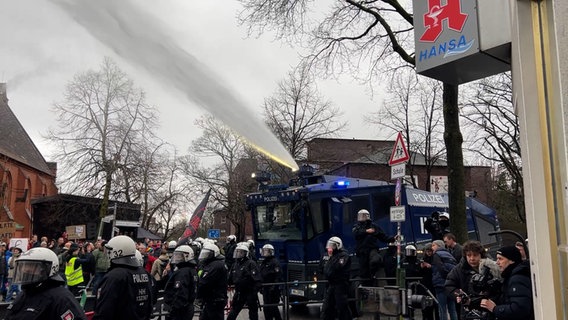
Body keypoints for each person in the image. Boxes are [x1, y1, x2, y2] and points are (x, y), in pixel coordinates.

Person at [4, 247, 87, 320]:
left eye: (32, 267)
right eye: (24, 267)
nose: (26, 271)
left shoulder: (61, 298)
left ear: (47, 269)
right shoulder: (24, 294)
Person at [93, 235, 153, 320]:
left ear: (118, 251)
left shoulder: (115, 276)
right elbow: (150, 304)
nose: (107, 254)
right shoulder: (145, 273)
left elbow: (104, 310)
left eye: (109, 251)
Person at [445, 240, 501, 320]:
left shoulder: (491, 268)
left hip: (489, 309)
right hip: (468, 311)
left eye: (475, 255)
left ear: (481, 255)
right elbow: (449, 285)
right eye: (469, 255)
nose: (472, 258)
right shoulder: (459, 269)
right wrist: (458, 294)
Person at [480, 246, 534, 320]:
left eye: (500, 259)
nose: (497, 262)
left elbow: (520, 309)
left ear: (511, 260)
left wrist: (494, 309)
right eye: (497, 259)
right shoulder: (511, 276)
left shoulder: (517, 279)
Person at [352, 209, 396, 284]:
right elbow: (356, 233)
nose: (361, 218)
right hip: (362, 252)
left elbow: (383, 237)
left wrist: (393, 238)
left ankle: (373, 274)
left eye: (363, 216)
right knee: (364, 272)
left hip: (372, 249)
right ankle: (366, 285)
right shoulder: (357, 226)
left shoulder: (374, 226)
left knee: (375, 260)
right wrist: (366, 231)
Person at [227, 242, 262, 320]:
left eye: (241, 252)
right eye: (237, 252)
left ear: (245, 253)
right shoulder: (235, 264)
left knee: (253, 312)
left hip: (250, 292)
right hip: (239, 292)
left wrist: (254, 291)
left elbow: (257, 279)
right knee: (234, 311)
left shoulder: (250, 263)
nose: (238, 254)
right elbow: (230, 278)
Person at [319, 236, 351, 320]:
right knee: (327, 306)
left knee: (342, 307)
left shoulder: (343, 256)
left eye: (332, 245)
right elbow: (324, 270)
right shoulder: (330, 256)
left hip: (340, 285)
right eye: (329, 245)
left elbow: (334, 269)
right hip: (331, 284)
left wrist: (330, 258)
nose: (330, 248)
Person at [164, 245, 198, 320]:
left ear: (187, 256)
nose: (177, 258)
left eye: (179, 256)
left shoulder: (183, 272)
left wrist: (174, 309)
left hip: (180, 310)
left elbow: (180, 293)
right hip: (188, 307)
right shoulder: (192, 270)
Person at [196, 242, 228, 320]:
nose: (205, 256)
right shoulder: (214, 264)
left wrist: (198, 293)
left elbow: (205, 282)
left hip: (215, 300)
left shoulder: (215, 266)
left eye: (207, 254)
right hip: (213, 299)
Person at [431, 240, 458, 320]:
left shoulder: (436, 255)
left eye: (433, 245)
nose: (432, 247)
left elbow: (440, 267)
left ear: (439, 246)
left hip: (440, 284)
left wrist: (445, 278)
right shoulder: (449, 254)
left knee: (442, 309)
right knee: (452, 309)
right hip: (451, 285)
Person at [259, 244, 282, 320]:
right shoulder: (264, 262)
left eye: (266, 251)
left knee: (273, 308)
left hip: (273, 290)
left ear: (270, 252)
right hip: (265, 289)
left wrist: (273, 287)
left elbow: (277, 276)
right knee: (266, 309)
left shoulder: (275, 262)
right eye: (264, 250)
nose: (264, 252)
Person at [419, 243, 440, 320]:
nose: (429, 253)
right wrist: (421, 267)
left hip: (433, 284)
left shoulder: (435, 258)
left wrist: (430, 267)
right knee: (427, 306)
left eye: (430, 251)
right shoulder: (423, 259)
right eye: (427, 251)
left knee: (436, 305)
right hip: (426, 284)